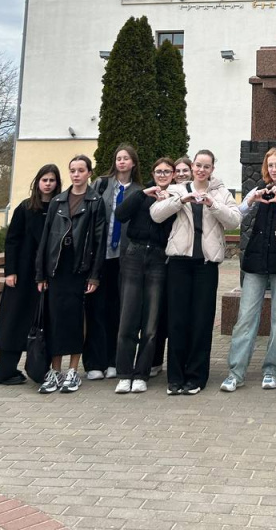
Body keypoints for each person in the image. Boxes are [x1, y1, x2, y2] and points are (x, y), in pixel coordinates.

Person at [151, 150, 240, 395]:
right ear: (191, 166)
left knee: (201, 321)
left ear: (212, 169)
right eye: (198, 165)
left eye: (206, 166)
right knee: (178, 320)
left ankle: (196, 377)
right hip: (179, 263)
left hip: (206, 265)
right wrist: (181, 200)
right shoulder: (178, 190)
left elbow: (234, 220)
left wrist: (213, 205)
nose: (201, 170)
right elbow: (156, 214)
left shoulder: (221, 193)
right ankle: (175, 377)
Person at [220, 148, 276, 392]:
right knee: (245, 318)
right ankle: (236, 371)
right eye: (271, 165)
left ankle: (272, 370)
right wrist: (249, 200)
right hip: (256, 261)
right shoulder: (259, 190)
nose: (275, 169)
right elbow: (237, 216)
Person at [36, 155, 106, 394]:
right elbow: (46, 239)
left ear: (89, 173)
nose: (76, 175)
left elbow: (99, 241)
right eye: (72, 171)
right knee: (54, 319)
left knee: (76, 320)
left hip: (80, 269)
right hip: (57, 268)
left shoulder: (95, 201)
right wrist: (41, 273)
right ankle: (55, 370)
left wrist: (94, 275)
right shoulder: (58, 200)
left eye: (80, 170)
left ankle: (73, 370)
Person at [0, 164, 61, 385]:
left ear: (57, 183)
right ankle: (4, 371)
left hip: (47, 275)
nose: (48, 184)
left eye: (52, 180)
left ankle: (39, 369)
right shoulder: (25, 208)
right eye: (44, 180)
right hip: (22, 275)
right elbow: (12, 240)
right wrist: (10, 271)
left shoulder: (59, 208)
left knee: (43, 322)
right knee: (15, 321)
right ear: (38, 182)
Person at [112, 157, 176, 394]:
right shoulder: (141, 193)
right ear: (153, 173)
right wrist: (143, 195)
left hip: (158, 258)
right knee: (128, 318)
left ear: (172, 175)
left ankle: (141, 374)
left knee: (150, 322)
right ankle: (124, 373)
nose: (162, 175)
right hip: (135, 255)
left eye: (167, 172)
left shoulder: (175, 198)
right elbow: (120, 214)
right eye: (159, 171)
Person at [84, 144, 144, 381]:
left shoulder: (140, 190)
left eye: (126, 158)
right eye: (118, 158)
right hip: (102, 256)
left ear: (133, 163)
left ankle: (113, 360)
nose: (121, 162)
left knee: (119, 311)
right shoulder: (102, 184)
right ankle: (94, 362)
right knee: (97, 309)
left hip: (126, 257)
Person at [150, 156, 193, 378]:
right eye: (179, 170)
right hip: (158, 259)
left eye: (186, 170)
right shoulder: (163, 194)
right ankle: (154, 359)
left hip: (179, 261)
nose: (182, 173)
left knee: (175, 315)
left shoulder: (190, 196)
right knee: (156, 313)